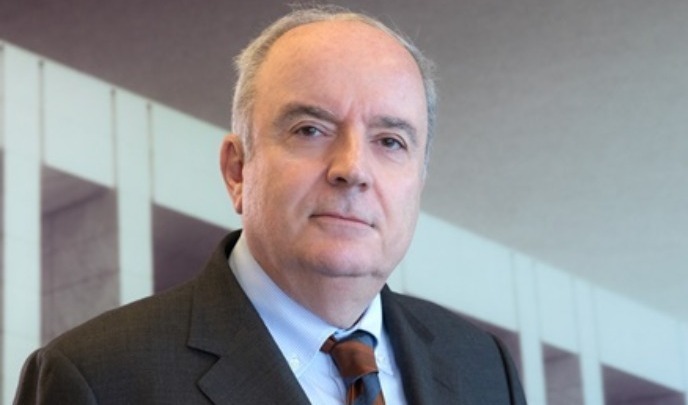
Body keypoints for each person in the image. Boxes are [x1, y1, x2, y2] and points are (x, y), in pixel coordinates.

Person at [14, 5, 526, 404]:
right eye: (310, 130)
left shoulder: (484, 367)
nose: (353, 168)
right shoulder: (97, 379)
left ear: (419, 181)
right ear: (237, 170)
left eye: (390, 141)